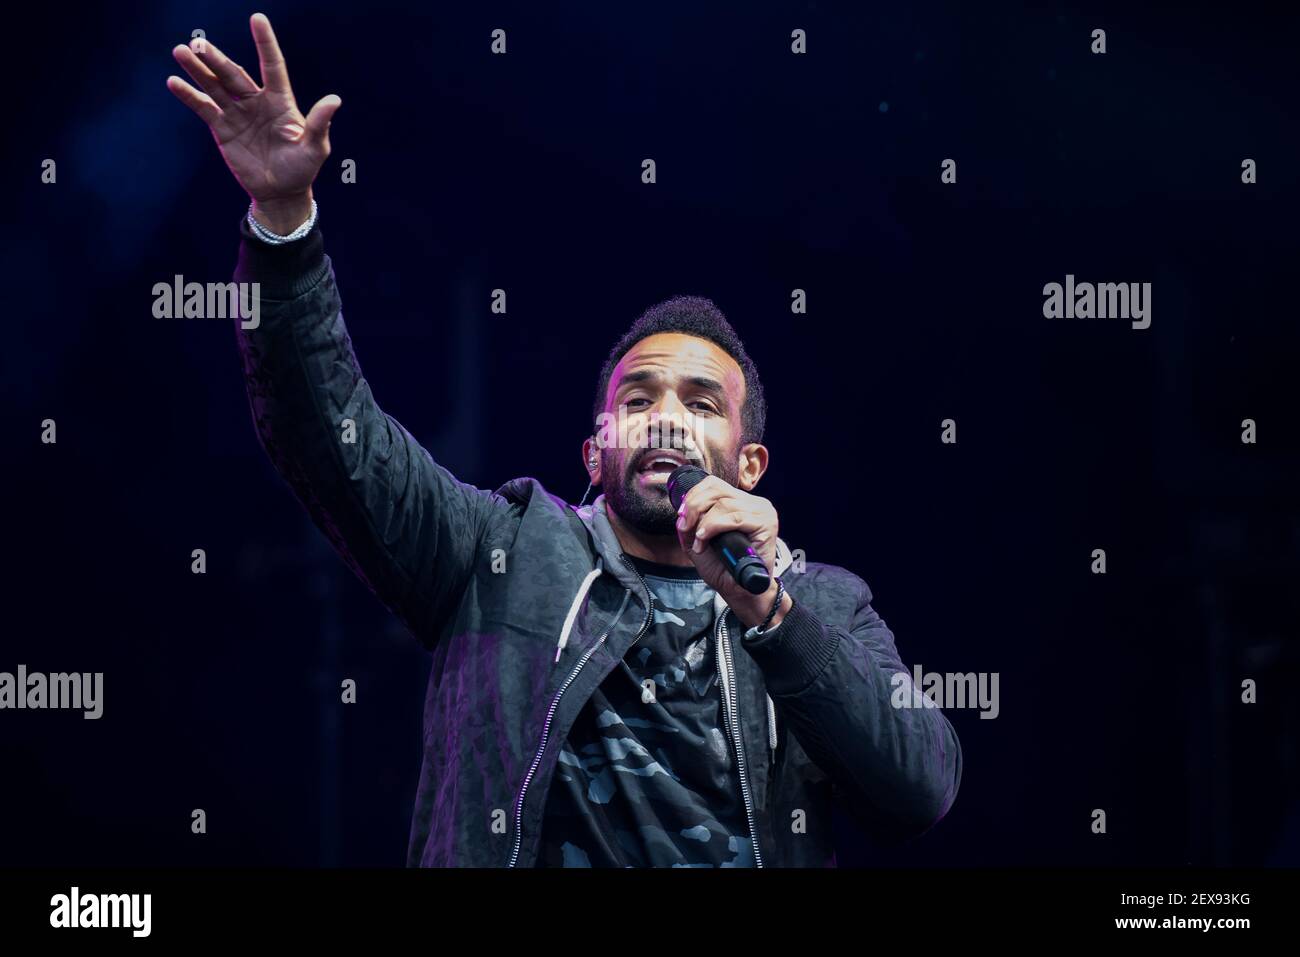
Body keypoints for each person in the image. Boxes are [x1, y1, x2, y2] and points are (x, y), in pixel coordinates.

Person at [167, 13, 961, 867]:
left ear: (750, 462)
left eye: (701, 403)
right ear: (594, 452)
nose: (665, 416)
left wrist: (771, 613)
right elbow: (328, 433)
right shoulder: (499, 553)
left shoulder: (824, 605)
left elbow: (919, 788)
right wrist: (284, 221)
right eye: (639, 397)